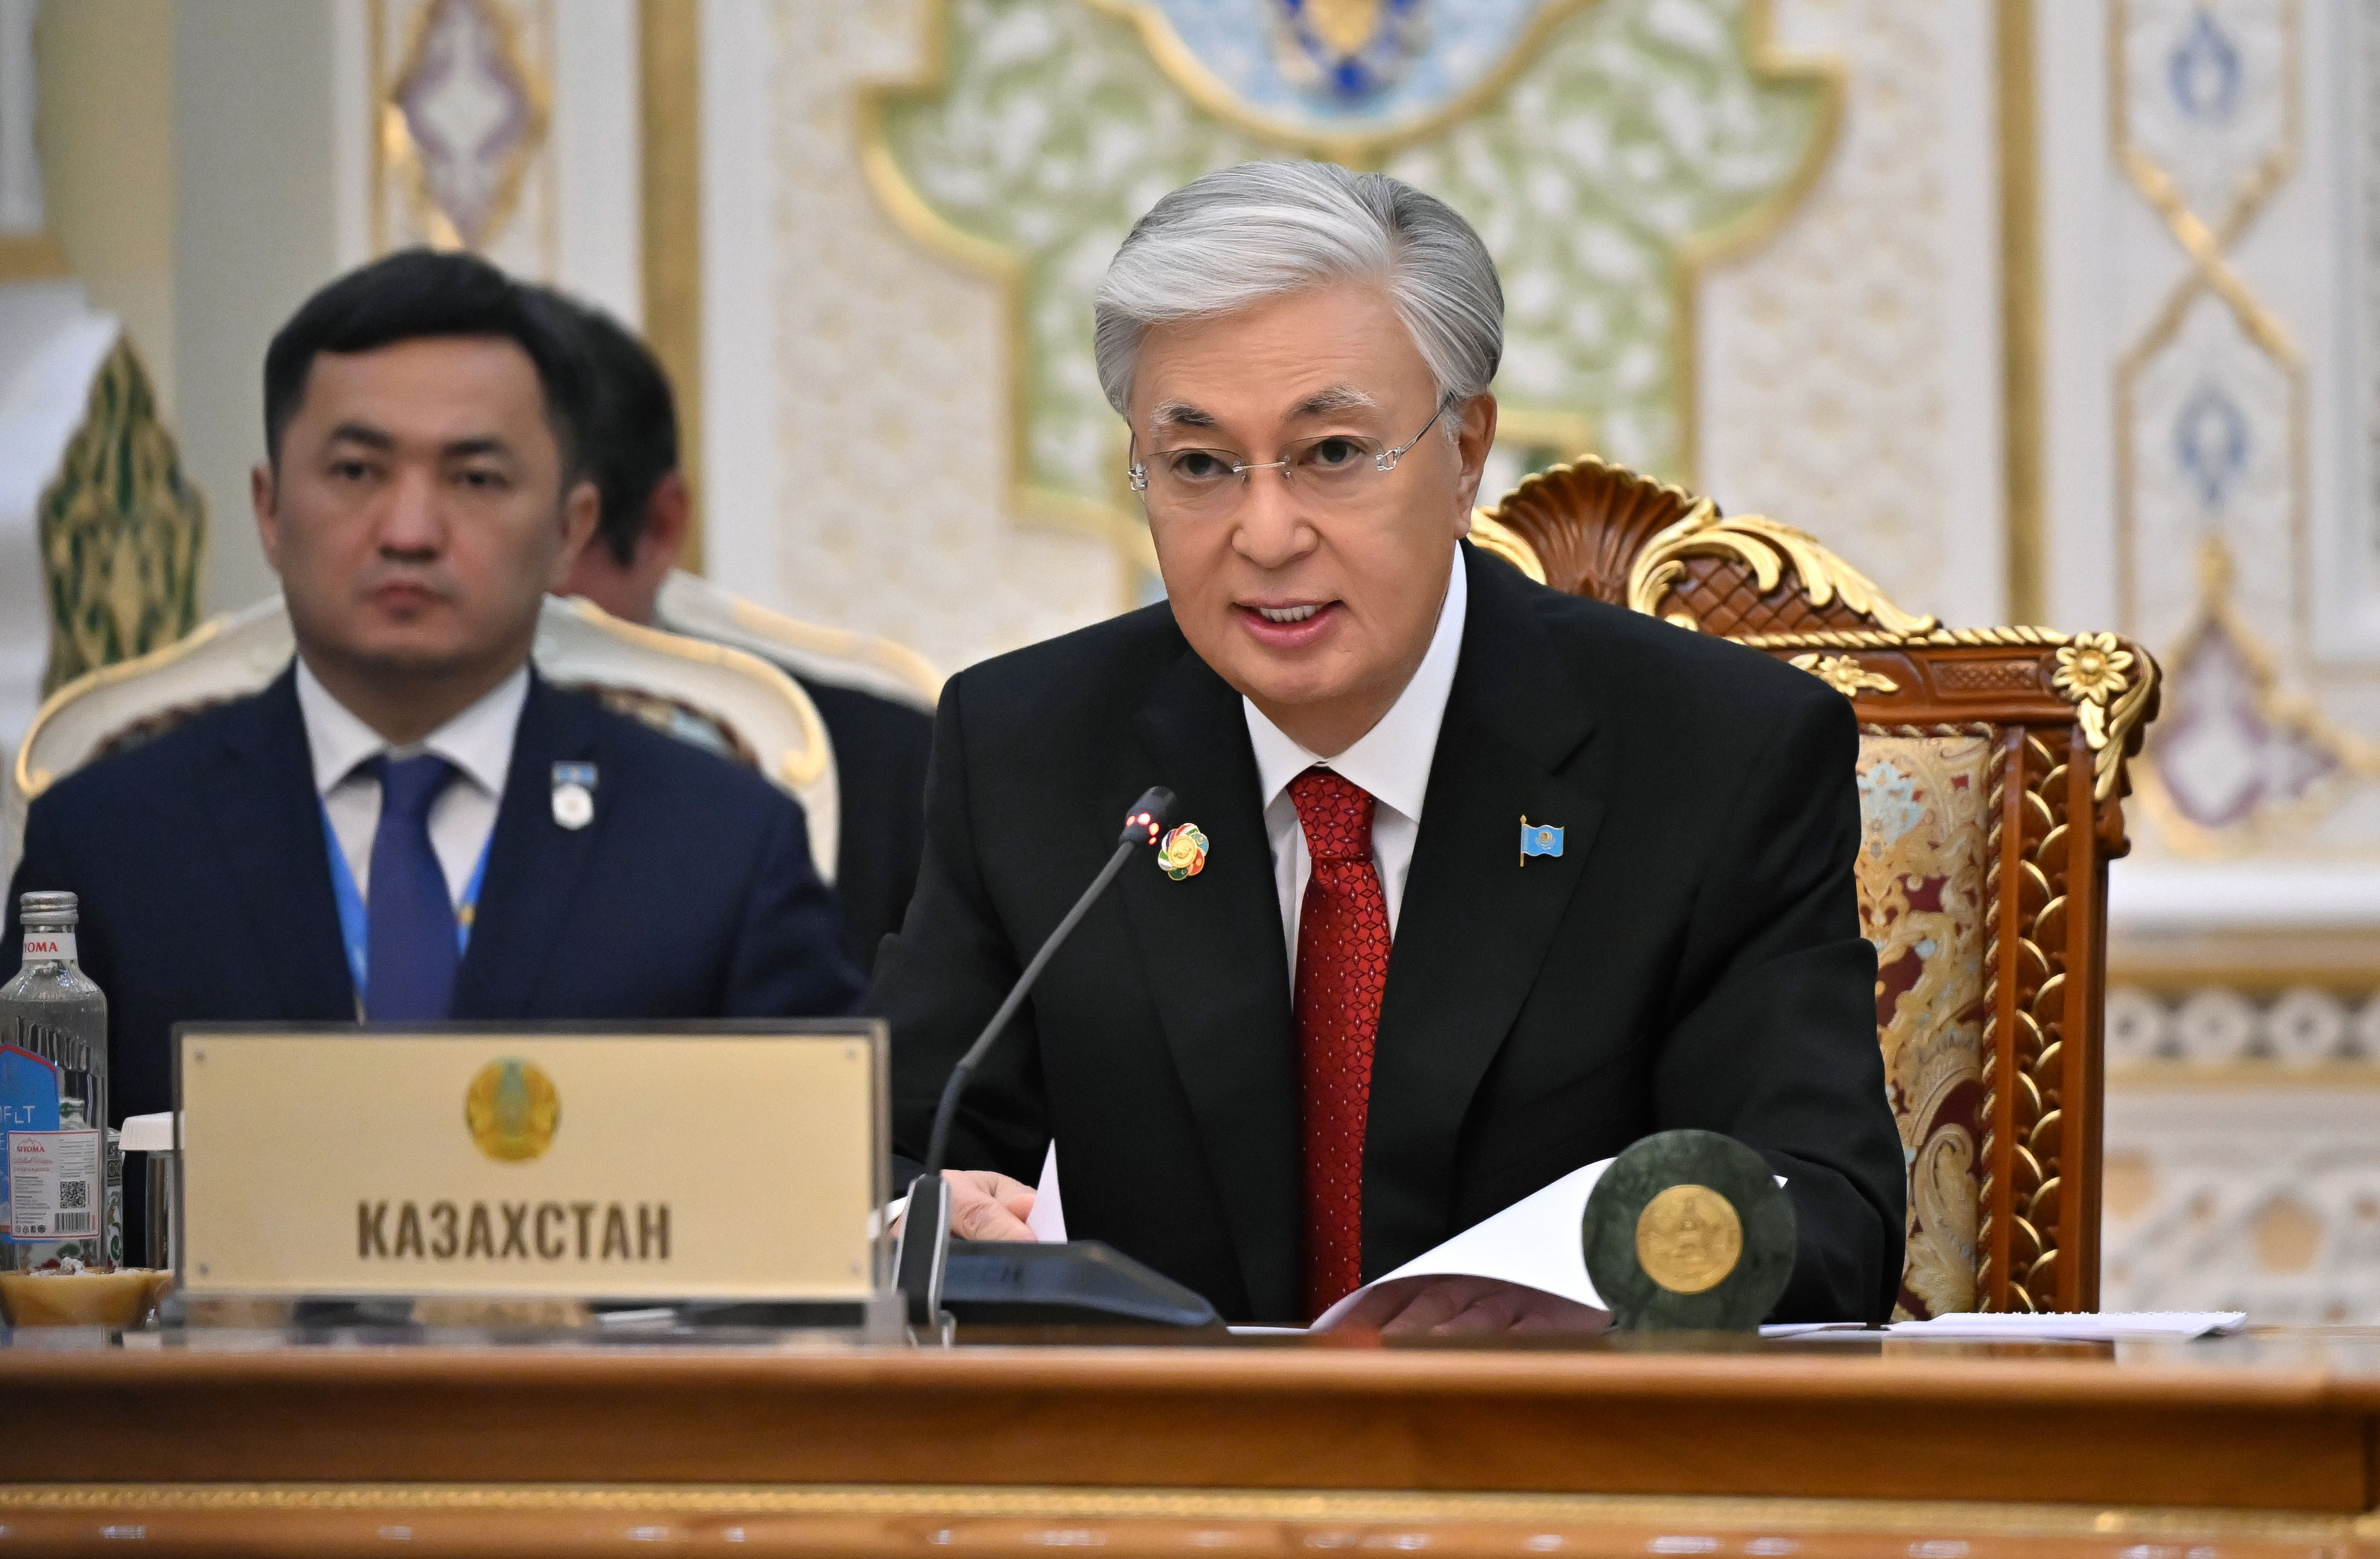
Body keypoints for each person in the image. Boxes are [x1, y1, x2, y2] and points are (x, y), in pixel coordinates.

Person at [875, 162, 1905, 1330]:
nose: (1266, 536)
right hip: (1159, 1441)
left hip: (1550, 1439)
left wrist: (1597, 1285)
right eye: (1199, 465)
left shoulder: (1713, 756)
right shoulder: (1030, 751)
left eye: (1330, 453)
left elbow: (1825, 1211)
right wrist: (915, 1219)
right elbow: (893, 1150)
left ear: (1464, 453)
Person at [6, 250, 862, 1257]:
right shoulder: (111, 843)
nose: (409, 531)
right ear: (270, 510)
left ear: (570, 529)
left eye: (475, 478)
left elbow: (823, 1208)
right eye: (356, 472)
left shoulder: (719, 843)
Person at [549, 296, 934, 975]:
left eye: (486, 488)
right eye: (361, 473)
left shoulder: (894, 778)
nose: (419, 539)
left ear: (659, 527)